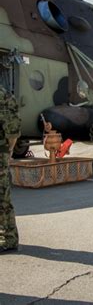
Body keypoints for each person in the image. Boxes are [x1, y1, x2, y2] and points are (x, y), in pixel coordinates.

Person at [0, 85, 21, 252]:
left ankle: (9, 237)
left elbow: (12, 130)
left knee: (2, 196)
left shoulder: (3, 96)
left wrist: (9, 150)